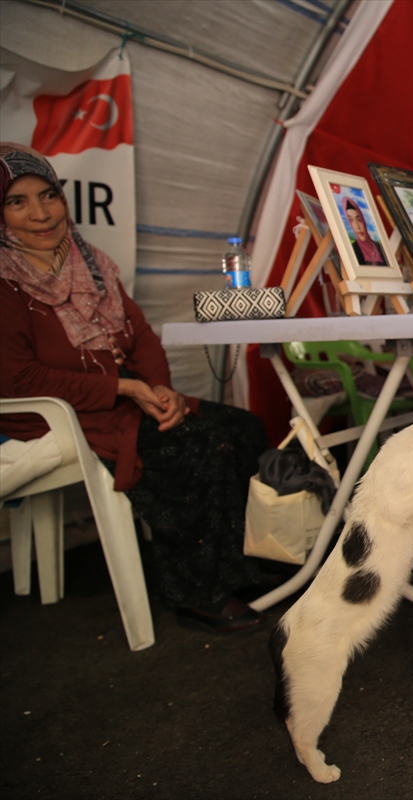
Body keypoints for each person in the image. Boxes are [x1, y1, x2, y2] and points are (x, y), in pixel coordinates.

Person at [0, 143, 268, 634]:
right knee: (200, 446)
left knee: (242, 425)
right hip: (62, 415)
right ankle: (198, 590)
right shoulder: (4, 282)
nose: (40, 214)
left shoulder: (88, 260)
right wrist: (125, 388)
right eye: (17, 202)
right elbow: (16, 379)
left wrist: (159, 388)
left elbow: (138, 333)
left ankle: (239, 564)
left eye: (47, 196)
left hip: (124, 399)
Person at [342, 197, 387, 266]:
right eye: (351, 220)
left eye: (359, 220)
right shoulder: (352, 250)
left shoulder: (380, 248)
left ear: (364, 220)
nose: (357, 226)